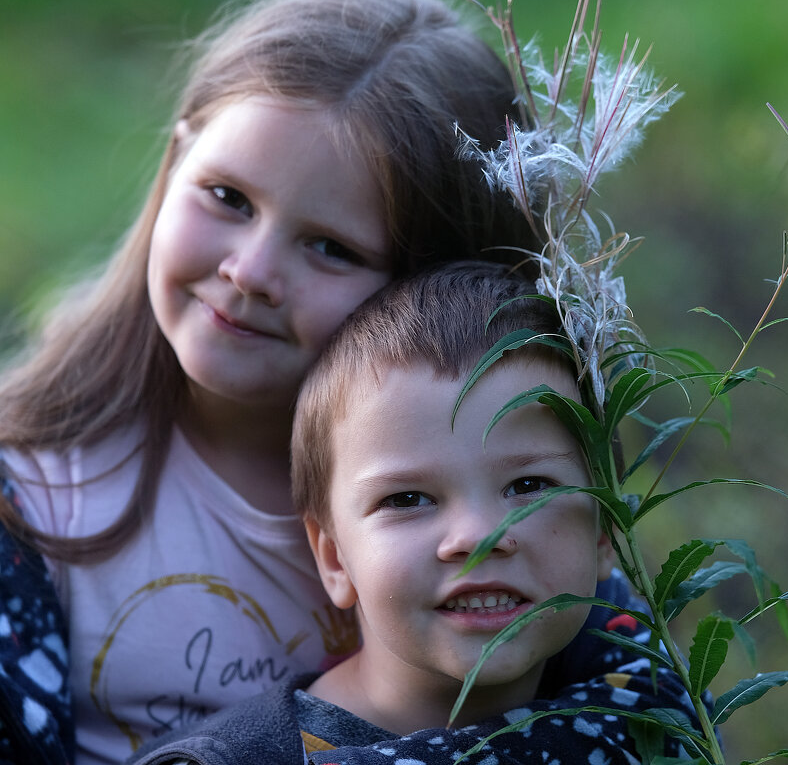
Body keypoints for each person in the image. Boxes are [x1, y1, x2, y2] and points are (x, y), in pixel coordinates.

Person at [0, 0, 620, 765]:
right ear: (177, 156)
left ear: (435, 288)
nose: (251, 271)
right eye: (227, 196)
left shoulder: (509, 505)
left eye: (331, 247)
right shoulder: (34, 497)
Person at [127, 262, 696, 765]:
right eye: (406, 499)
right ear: (333, 557)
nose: (477, 536)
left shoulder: (650, 711)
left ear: (605, 531)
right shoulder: (241, 759)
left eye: (528, 485)